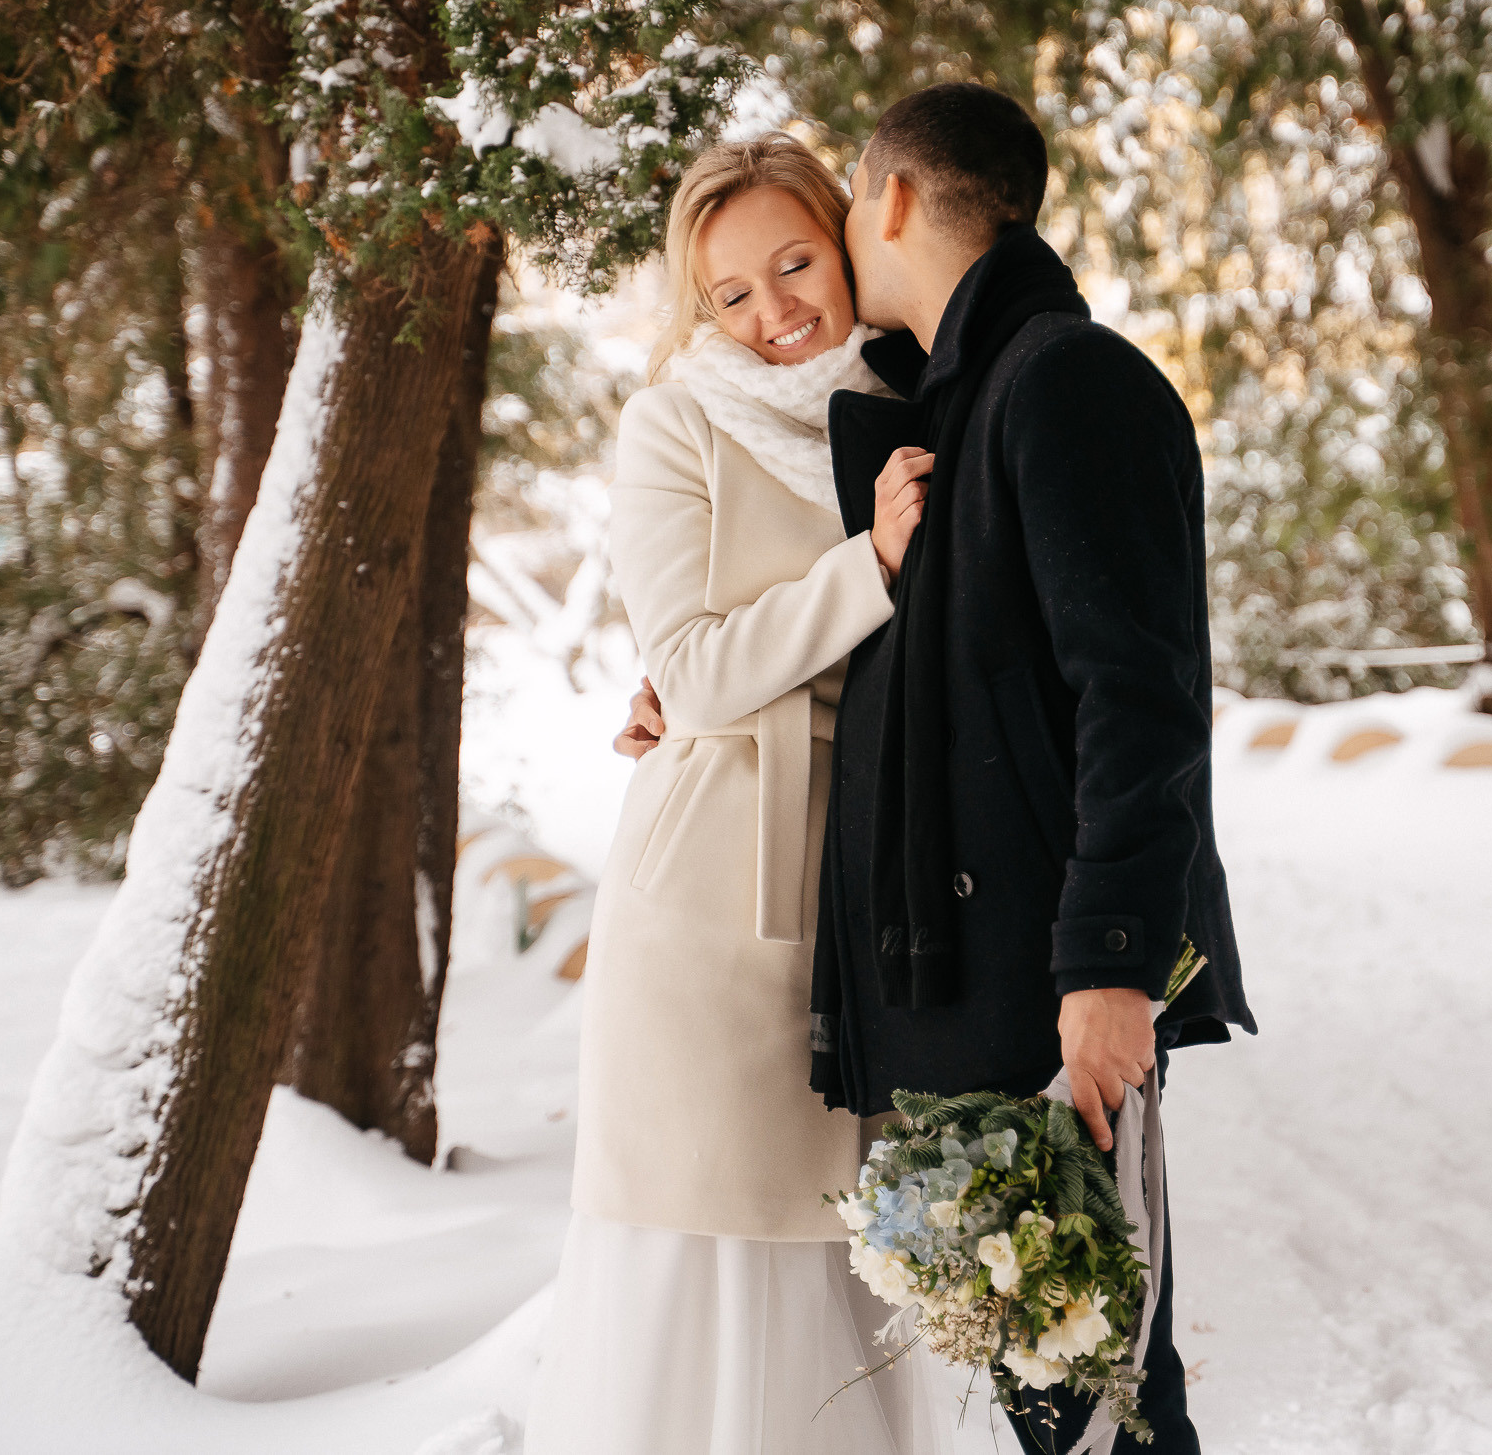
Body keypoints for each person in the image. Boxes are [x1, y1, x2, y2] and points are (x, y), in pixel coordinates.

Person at [620, 85, 1255, 1453]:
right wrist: (685, 684)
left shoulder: (1046, 377)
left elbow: (1137, 700)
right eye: (733, 288)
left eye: (813, 242)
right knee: (1051, 1371)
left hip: (1028, 969)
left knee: (1098, 1388)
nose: (784, 295)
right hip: (939, 980)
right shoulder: (949, 394)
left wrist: (1109, 964)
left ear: (885, 207)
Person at [531, 133, 965, 1455]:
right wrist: (870, 565)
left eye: (795, 264)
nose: (776, 312)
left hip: (871, 889)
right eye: (733, 293)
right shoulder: (676, 424)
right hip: (715, 896)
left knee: (855, 1259)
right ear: (698, 310)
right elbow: (700, 671)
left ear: (846, 245)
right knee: (726, 1254)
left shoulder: (919, 400)